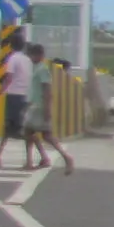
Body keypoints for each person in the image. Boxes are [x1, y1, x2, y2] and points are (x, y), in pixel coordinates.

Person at [22, 44, 76, 174]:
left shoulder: (42, 70)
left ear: (39, 56)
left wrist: (47, 109)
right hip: (35, 105)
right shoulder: (35, 68)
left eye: (32, 55)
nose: (30, 57)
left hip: (39, 107)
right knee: (32, 133)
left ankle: (63, 158)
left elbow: (47, 91)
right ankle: (38, 160)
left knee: (41, 135)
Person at [0, 34, 33, 168]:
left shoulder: (13, 59)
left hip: (14, 96)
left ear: (11, 46)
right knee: (23, 129)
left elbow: (8, 80)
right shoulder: (27, 60)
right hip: (26, 96)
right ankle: (27, 159)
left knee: (9, 128)